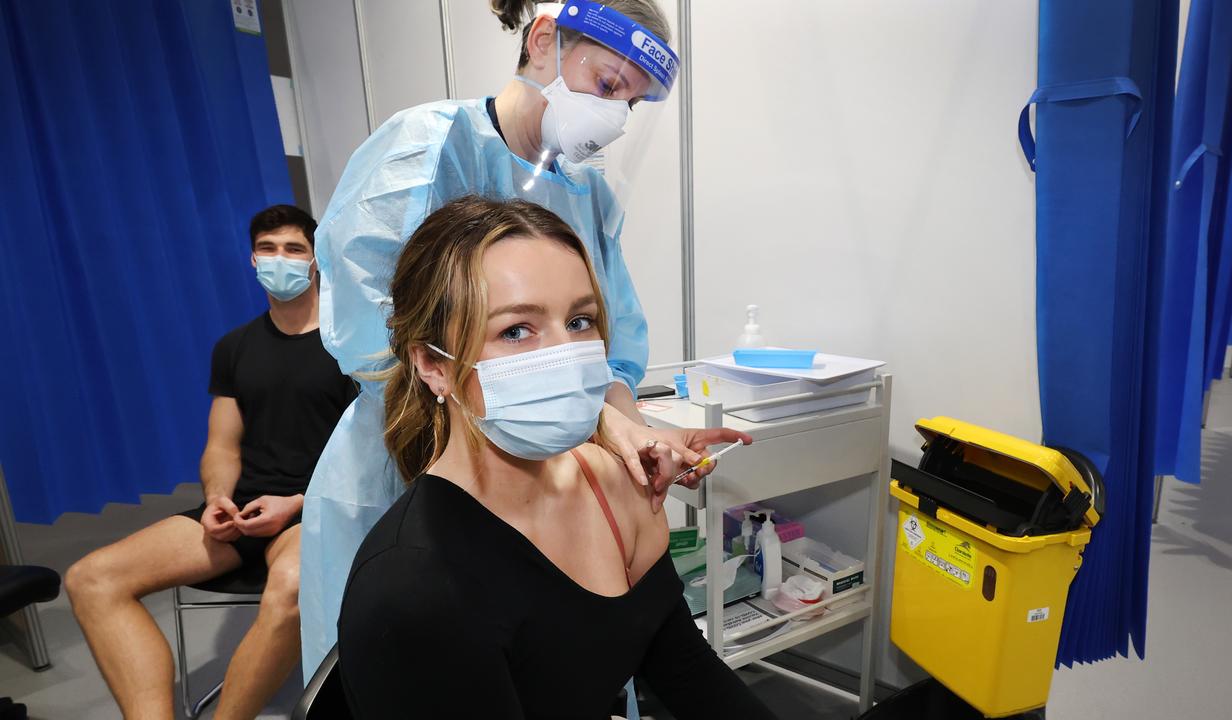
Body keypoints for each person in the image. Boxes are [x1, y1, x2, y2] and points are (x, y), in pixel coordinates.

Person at [301, 0, 749, 682]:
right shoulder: (424, 152)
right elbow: (376, 333)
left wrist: (632, 432)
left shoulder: (587, 197)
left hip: (541, 481)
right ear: (543, 40)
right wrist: (595, 418)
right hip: (405, 465)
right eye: (606, 86)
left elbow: (612, 344)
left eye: (630, 103)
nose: (614, 118)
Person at [338, 196, 776, 719]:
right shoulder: (413, 588)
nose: (564, 357)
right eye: (516, 330)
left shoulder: (616, 487)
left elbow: (686, 672)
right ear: (435, 366)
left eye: (579, 321)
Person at [65, 205, 357, 720]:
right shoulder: (235, 347)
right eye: (268, 249)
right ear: (251, 258)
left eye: (294, 249)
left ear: (316, 262)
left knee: (289, 587)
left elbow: (372, 457)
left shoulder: (349, 346)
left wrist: (296, 502)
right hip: (240, 510)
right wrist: (218, 497)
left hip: (312, 509)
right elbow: (222, 445)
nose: (279, 260)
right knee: (92, 578)